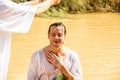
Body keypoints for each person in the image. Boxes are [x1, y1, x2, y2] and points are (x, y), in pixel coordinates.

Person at [0, 0, 61, 80]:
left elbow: (21, 7)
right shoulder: (3, 5)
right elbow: (35, 11)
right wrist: (51, 1)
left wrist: (40, 1)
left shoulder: (3, 5)